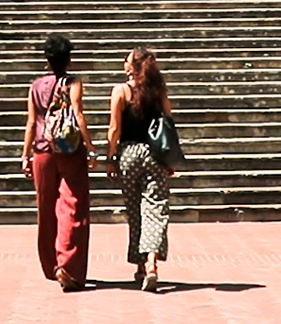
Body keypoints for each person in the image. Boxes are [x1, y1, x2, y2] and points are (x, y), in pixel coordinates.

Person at [22, 32, 93, 292]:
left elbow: (31, 122)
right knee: (73, 206)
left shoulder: (35, 86)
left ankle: (50, 264)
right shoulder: (73, 82)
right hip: (69, 148)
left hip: (42, 150)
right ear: (68, 59)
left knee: (46, 207)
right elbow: (78, 113)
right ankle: (67, 265)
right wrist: (90, 147)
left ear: (47, 59)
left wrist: (25, 154)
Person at [106, 46, 174, 292]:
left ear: (133, 66)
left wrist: (111, 157)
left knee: (135, 211)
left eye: (126, 61)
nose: (124, 64)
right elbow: (168, 122)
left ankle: (139, 265)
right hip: (155, 155)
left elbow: (114, 129)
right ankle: (151, 263)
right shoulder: (158, 91)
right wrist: (170, 158)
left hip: (129, 154)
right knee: (156, 209)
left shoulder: (121, 91)